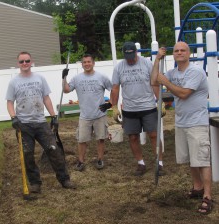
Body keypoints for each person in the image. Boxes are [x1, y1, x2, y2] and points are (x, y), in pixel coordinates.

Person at [151, 42, 212, 214]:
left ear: (189, 53)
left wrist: (165, 82)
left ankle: (207, 196)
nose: (179, 53)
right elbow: (154, 80)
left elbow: (184, 94)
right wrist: (157, 60)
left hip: (197, 123)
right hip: (181, 122)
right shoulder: (173, 72)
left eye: (182, 50)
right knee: (191, 160)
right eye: (176, 50)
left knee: (202, 160)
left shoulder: (196, 71)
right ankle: (197, 187)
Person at [5, 51, 75, 193]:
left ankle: (64, 179)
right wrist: (13, 118)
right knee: (28, 154)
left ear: (31, 61)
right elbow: (10, 102)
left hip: (41, 123)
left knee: (54, 150)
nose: (24, 64)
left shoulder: (40, 78)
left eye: (27, 61)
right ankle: (35, 183)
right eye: (21, 61)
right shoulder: (14, 82)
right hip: (24, 125)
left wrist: (53, 116)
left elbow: (46, 98)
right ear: (18, 63)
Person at [111, 42, 164, 176]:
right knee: (133, 137)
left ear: (136, 52)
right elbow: (115, 88)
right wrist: (114, 106)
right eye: (127, 56)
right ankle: (140, 163)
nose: (130, 59)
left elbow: (155, 83)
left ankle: (160, 163)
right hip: (129, 109)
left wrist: (160, 101)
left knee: (153, 135)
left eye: (132, 55)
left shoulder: (146, 64)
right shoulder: (119, 68)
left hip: (148, 106)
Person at [63, 54, 112, 171]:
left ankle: (100, 159)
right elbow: (66, 90)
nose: (87, 64)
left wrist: (110, 104)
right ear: (82, 64)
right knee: (82, 140)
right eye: (84, 62)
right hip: (84, 116)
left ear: (93, 63)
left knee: (100, 138)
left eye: (89, 62)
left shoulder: (102, 77)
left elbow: (114, 89)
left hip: (100, 114)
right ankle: (80, 161)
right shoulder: (77, 78)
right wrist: (64, 78)